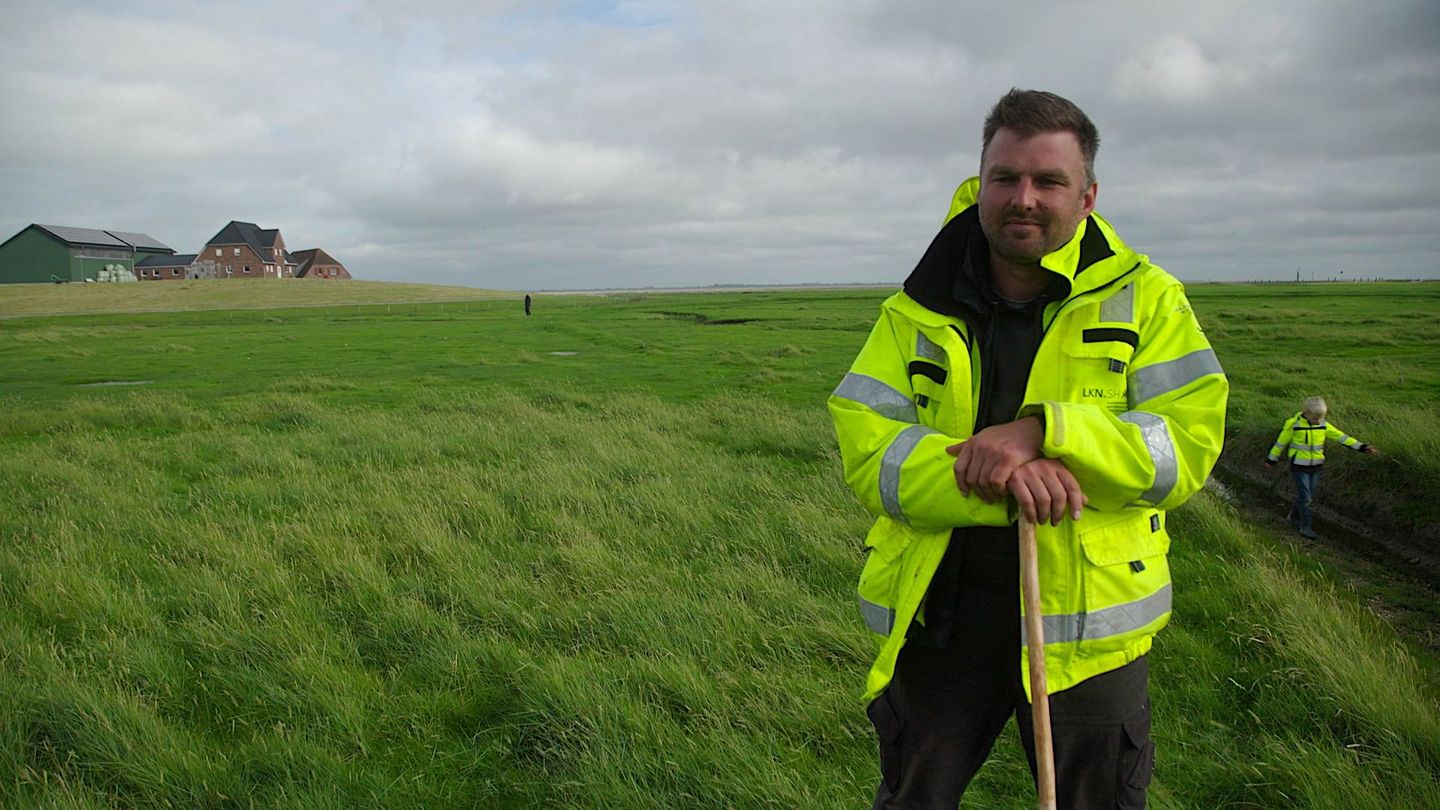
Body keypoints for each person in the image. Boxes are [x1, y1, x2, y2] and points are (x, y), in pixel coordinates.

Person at [827, 89, 1228, 809]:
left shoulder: (1149, 299)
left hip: (1088, 631)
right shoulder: (915, 307)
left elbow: (1186, 445)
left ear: (1088, 196)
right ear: (980, 182)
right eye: (1005, 177)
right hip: (943, 618)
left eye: (1049, 181)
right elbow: (867, 446)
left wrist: (1047, 432)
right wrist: (997, 477)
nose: (1025, 199)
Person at [1265, 396, 1377, 539]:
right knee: (1306, 497)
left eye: (1320, 418)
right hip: (1298, 467)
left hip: (1316, 467)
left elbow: (1341, 437)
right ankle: (1305, 527)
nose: (1317, 421)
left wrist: (1362, 447)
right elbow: (1280, 444)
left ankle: (1293, 516)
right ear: (1306, 413)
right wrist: (1271, 460)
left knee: (1306, 495)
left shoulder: (1323, 425)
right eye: (1314, 418)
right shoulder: (1294, 425)